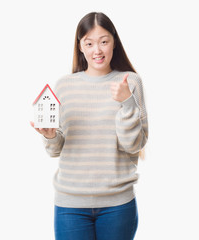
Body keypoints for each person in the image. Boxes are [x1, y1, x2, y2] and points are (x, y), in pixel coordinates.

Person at [30, 12, 148, 240]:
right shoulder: (64, 86)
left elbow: (134, 145)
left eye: (104, 41)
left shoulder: (130, 82)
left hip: (118, 204)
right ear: (80, 46)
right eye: (90, 43)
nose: (98, 50)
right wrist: (51, 136)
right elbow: (55, 150)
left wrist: (126, 102)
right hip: (70, 206)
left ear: (114, 42)